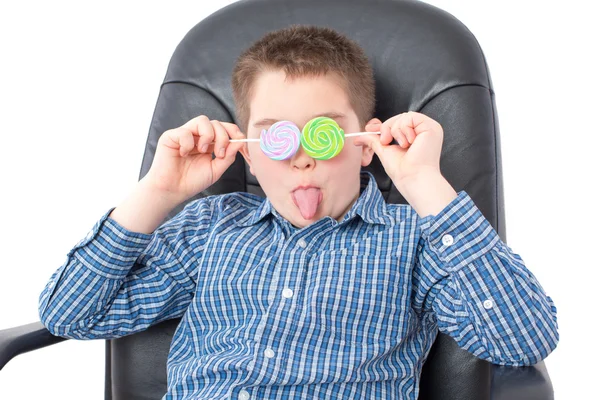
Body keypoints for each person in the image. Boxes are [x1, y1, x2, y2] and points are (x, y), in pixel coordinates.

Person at [38, 25, 559, 399]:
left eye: (324, 134)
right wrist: (156, 191)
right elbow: (68, 314)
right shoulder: (207, 230)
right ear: (247, 152)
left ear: (364, 145)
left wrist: (424, 183)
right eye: (276, 137)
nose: (300, 156)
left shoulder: (415, 239)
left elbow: (522, 339)